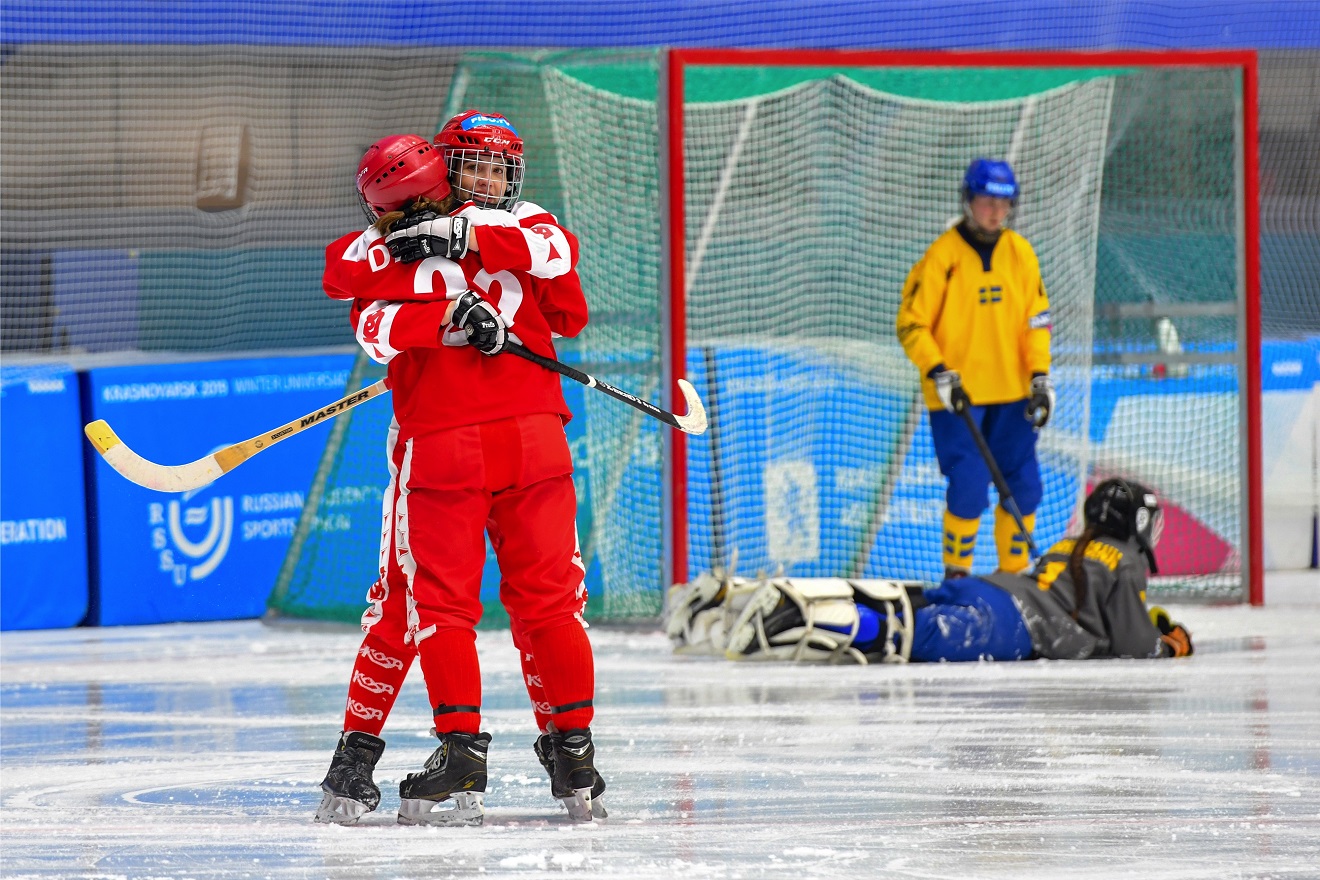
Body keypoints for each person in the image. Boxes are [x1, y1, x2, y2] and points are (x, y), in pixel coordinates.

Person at [314, 112, 605, 828]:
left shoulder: (398, 236)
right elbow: (567, 302)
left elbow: (351, 289)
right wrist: (448, 314)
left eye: (498, 169)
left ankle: (462, 753)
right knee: (545, 605)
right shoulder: (525, 228)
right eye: (473, 167)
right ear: (444, 168)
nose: (486, 180)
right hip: (533, 432)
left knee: (433, 606)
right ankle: (571, 755)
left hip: (443, 442)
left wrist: (442, 270)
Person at [669, 478, 1193, 664]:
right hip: (1015, 624)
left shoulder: (1069, 545)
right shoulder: (1124, 561)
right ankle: (802, 617)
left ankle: (739, 595)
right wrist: (1167, 643)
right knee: (908, 634)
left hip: (987, 586)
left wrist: (1151, 621)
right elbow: (1132, 642)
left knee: (904, 604)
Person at [895, 158, 1056, 580]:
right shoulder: (941, 257)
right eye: (987, 201)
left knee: (1024, 487)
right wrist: (938, 370)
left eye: (1004, 204)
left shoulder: (1021, 254)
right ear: (968, 201)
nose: (996, 212)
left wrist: (1039, 375)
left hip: (1012, 395)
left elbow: (1036, 322)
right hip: (959, 399)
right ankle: (957, 578)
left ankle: (1015, 579)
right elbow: (911, 324)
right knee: (967, 487)